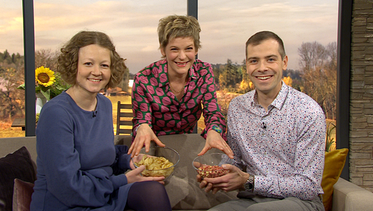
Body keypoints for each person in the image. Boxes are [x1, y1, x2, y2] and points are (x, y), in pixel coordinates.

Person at [30, 31, 172, 211]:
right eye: (88, 63)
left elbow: (98, 155)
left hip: (104, 192)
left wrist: (129, 161)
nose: (96, 72)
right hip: (68, 201)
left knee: (153, 190)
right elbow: (67, 187)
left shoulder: (104, 104)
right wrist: (124, 179)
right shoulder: (56, 113)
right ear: (74, 66)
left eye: (104, 65)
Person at [198, 31, 326, 211]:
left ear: (284, 62)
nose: (262, 67)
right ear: (247, 66)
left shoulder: (308, 112)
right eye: (254, 61)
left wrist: (250, 182)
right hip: (251, 200)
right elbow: (235, 160)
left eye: (270, 59)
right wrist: (217, 174)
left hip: (299, 202)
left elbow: (308, 186)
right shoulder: (237, 107)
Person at [128, 15, 233, 159]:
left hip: (186, 143)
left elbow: (213, 113)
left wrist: (214, 131)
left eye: (188, 48)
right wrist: (143, 127)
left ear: (196, 49)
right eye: (174, 49)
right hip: (153, 145)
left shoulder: (204, 72)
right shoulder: (144, 79)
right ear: (163, 50)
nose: (182, 56)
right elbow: (142, 120)